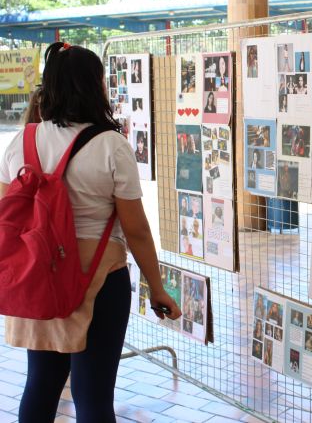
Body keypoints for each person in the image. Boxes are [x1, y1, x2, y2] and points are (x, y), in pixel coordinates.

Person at [0, 42, 181, 423]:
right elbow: (137, 230)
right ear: (95, 86)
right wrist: (157, 288)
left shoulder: (22, 142)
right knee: (94, 396)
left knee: (41, 384)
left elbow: (8, 217)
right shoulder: (111, 146)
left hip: (38, 274)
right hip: (98, 280)